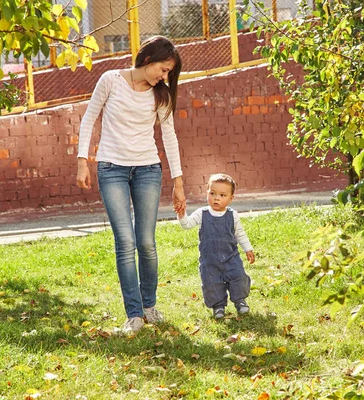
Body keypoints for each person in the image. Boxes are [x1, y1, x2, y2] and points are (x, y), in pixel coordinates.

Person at [76, 36, 186, 334]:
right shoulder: (111, 80)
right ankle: (134, 314)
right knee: (125, 242)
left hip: (148, 170)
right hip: (111, 169)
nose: (164, 77)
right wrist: (82, 160)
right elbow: (89, 119)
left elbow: (170, 137)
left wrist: (178, 183)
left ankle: (149, 306)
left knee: (146, 242)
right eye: (162, 70)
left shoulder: (160, 95)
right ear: (148, 59)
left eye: (168, 73)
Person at [176, 173, 255, 319]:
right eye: (212, 193)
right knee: (212, 283)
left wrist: (248, 249)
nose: (216, 198)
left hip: (231, 256)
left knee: (238, 277)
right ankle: (218, 306)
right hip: (210, 259)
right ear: (207, 193)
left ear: (231, 198)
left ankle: (240, 301)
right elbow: (187, 225)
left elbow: (240, 234)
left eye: (222, 195)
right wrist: (181, 214)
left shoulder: (233, 215)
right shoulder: (202, 213)